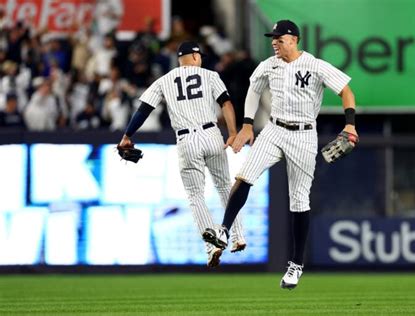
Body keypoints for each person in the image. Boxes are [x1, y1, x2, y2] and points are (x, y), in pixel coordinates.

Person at [202, 20, 358, 289]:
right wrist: (248, 124)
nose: (274, 42)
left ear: (294, 39)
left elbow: (346, 90)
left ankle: (296, 264)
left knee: (299, 200)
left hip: (304, 134)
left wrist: (350, 124)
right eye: (272, 38)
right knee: (244, 175)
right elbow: (254, 88)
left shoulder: (315, 65)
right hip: (274, 129)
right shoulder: (268, 64)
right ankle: (224, 231)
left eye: (279, 37)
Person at [117, 41, 246, 267]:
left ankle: (212, 245)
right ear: (195, 57)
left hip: (186, 140)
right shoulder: (210, 75)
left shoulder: (164, 80)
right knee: (225, 187)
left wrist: (128, 134)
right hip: (211, 134)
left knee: (196, 196)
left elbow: (144, 109)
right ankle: (237, 236)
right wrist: (233, 132)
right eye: (201, 56)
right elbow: (226, 103)